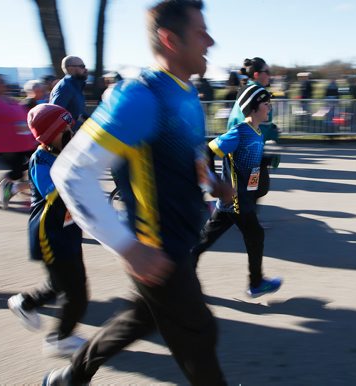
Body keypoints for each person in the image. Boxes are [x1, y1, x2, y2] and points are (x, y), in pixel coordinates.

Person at [42, 1, 227, 385]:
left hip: (181, 241)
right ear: (169, 39)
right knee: (200, 336)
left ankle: (70, 378)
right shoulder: (140, 97)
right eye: (200, 32)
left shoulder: (186, 92)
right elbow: (71, 172)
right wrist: (128, 246)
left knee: (139, 318)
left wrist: (211, 179)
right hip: (158, 251)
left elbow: (187, 151)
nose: (210, 41)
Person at [7, 103, 88, 357]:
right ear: (49, 135)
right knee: (77, 292)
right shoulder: (41, 160)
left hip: (68, 231)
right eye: (65, 129)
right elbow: (55, 194)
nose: (70, 134)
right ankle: (60, 339)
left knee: (60, 283)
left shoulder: (63, 153)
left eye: (70, 128)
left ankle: (25, 303)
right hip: (49, 234)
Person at [191, 84, 282, 298]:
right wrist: (212, 183)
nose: (269, 108)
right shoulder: (239, 132)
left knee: (205, 239)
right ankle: (256, 283)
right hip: (237, 200)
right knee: (255, 234)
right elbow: (207, 150)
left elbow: (249, 164)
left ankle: (181, 272)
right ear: (253, 107)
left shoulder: (258, 133)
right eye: (266, 103)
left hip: (240, 198)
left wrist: (267, 158)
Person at [0, 73, 37, 208]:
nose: (0, 85)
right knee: (17, 171)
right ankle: (22, 196)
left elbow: (22, 117)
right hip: (4, 144)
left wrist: (32, 136)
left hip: (23, 142)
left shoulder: (9, 100)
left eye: (1, 82)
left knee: (32, 164)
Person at [227, 57, 279, 204]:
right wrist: (271, 132)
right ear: (256, 74)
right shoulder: (258, 93)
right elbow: (259, 121)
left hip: (245, 147)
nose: (269, 75)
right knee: (257, 187)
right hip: (252, 149)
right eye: (267, 72)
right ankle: (244, 219)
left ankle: (245, 217)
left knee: (253, 187)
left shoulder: (247, 89)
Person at [49, 55, 88, 132]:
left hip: (75, 134)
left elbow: (79, 112)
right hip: (67, 137)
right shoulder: (65, 87)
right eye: (82, 66)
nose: (85, 69)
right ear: (70, 68)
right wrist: (75, 124)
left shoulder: (76, 86)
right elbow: (56, 113)